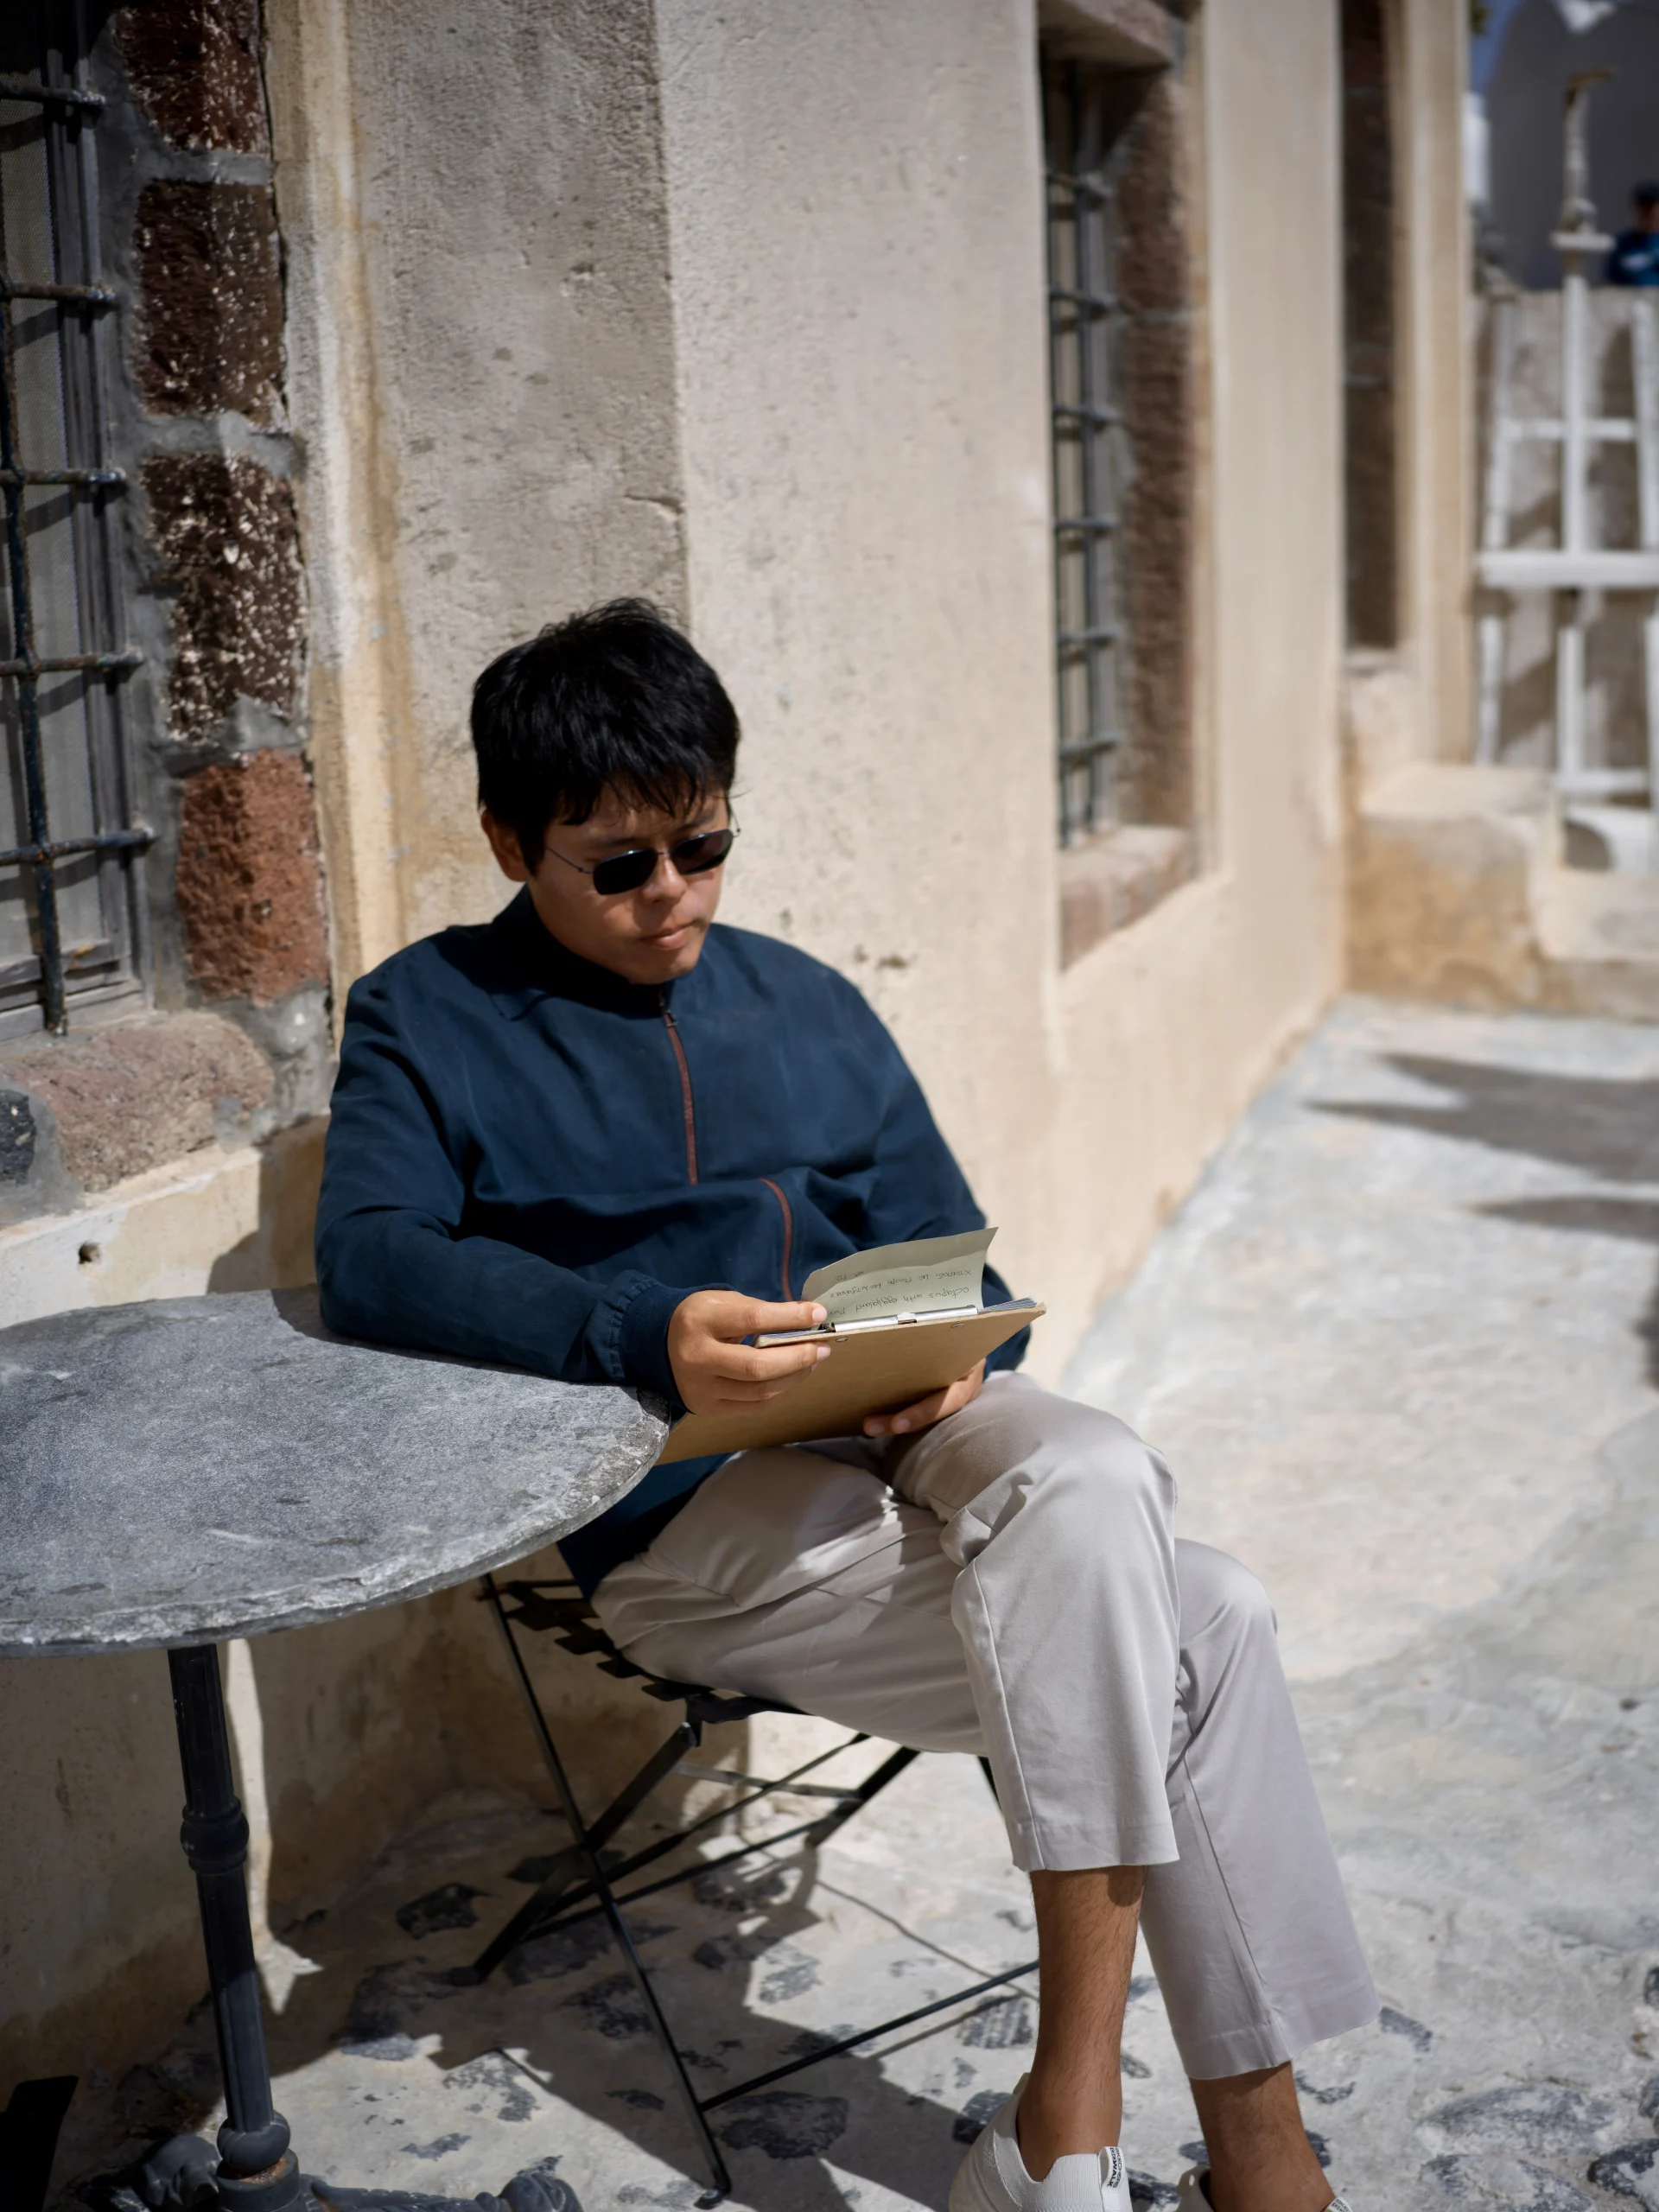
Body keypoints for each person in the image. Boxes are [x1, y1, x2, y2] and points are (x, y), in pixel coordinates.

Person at [316, 601, 1377, 2212]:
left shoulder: (804, 999)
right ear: (509, 843)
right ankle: (1253, 2158)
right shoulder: (427, 1013)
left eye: (704, 847)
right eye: (619, 864)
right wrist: (639, 1330)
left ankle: (1065, 2131)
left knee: (1094, 1467)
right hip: (678, 1510)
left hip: (898, 1440)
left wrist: (949, 1353)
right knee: (1206, 1622)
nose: (674, 895)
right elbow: (373, 1260)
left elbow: (948, 1239)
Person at [1606, 182, 1659, 287]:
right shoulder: (1622, 244)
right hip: (1630, 296)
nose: (1649, 213)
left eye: (1652, 207)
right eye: (1644, 207)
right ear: (1636, 209)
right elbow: (1611, 281)